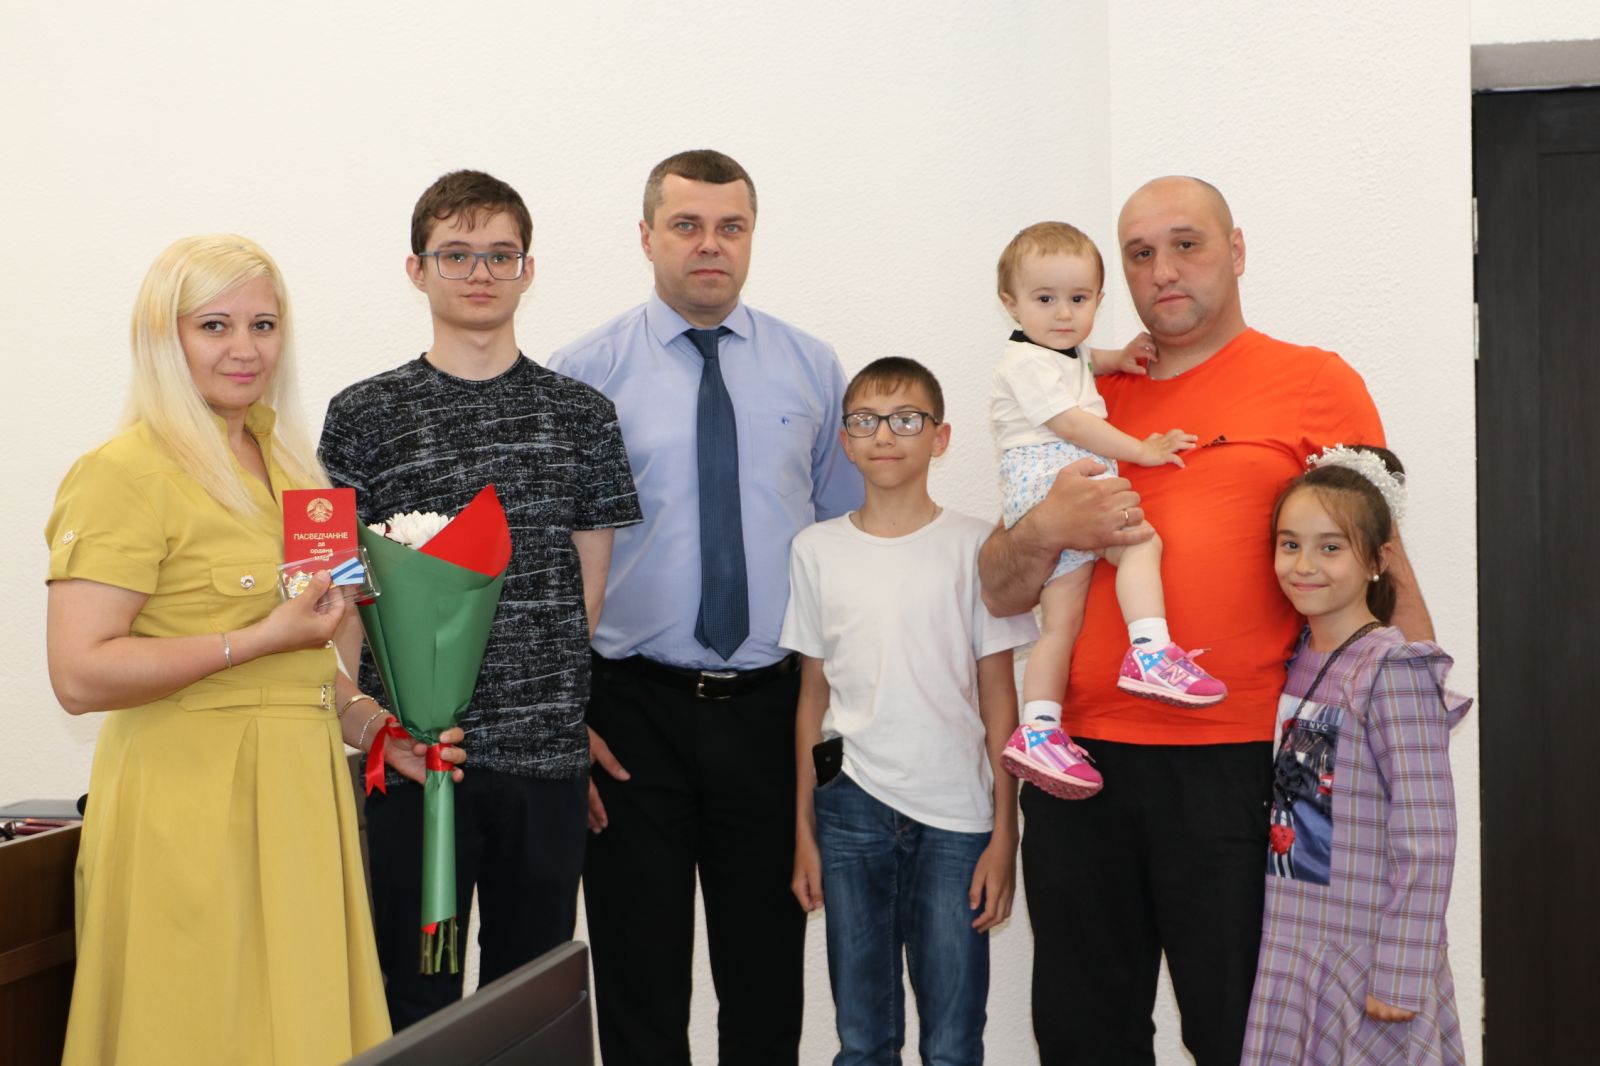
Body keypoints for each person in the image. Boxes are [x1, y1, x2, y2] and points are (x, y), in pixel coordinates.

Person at [978, 176, 1432, 1065]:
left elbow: (1384, 563)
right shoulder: (1077, 390)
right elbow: (999, 588)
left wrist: (1411, 736)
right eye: (1140, 253)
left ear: (1237, 250)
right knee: (1081, 1038)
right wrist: (1048, 527)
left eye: (1186, 244)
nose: (1163, 270)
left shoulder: (1314, 382)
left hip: (1246, 762)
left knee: (1244, 1037)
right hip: (1076, 763)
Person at [45, 234, 461, 1065]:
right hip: (189, 804)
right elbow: (79, 673)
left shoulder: (297, 471)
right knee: (199, 1028)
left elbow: (307, 660)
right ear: (163, 338)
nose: (245, 348)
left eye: (263, 325)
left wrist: (374, 726)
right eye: (215, 325)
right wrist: (254, 639)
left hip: (303, 795)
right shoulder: (121, 473)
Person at [549, 148, 864, 1065]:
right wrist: (567, 714)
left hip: (769, 712)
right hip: (629, 713)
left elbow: (844, 542)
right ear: (647, 236)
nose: (709, 245)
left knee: (765, 982)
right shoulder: (584, 374)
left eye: (731, 227)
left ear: (752, 237)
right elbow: (547, 566)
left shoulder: (812, 368)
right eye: (686, 225)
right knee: (640, 981)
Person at [319, 170, 642, 1028]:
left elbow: (587, 591)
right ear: (416, 269)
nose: (480, 272)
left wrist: (550, 706)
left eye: (501, 255)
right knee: (410, 995)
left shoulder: (582, 416)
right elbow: (340, 595)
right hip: (410, 756)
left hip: (543, 761)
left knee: (528, 1001)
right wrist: (361, 719)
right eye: (455, 254)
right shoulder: (363, 414)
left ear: (528, 271)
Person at [785, 357, 1035, 1065]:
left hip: (958, 815)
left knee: (954, 1040)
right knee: (862, 1037)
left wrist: (1005, 833)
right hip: (849, 807)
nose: (884, 435)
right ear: (845, 441)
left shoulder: (978, 545)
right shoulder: (815, 550)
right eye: (865, 421)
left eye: (905, 419)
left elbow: (999, 696)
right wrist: (804, 830)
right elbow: (811, 698)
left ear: (940, 436)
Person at [1244, 445, 1467, 1064]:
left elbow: (1427, 832)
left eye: (1330, 547)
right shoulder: (1296, 661)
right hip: (1295, 943)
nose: (1304, 565)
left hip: (1368, 954)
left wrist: (1401, 972)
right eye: (1290, 544)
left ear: (1378, 560)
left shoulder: (1395, 668)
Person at [989, 221, 1226, 803]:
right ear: (1010, 304)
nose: (1064, 314)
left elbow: (1082, 359)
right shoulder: (1024, 364)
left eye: (1079, 299)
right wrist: (1142, 449)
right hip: (1055, 473)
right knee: (1141, 543)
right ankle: (1149, 648)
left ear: (1098, 298)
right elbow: (1072, 422)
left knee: (1059, 626)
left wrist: (1117, 357)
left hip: (1038, 484)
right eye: (1045, 300)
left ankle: (1039, 728)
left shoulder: (1054, 352)